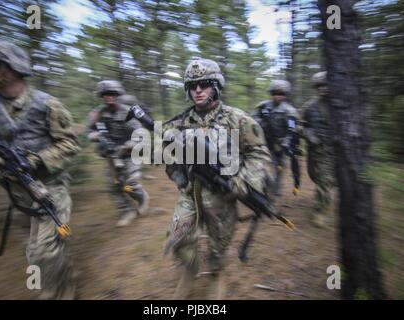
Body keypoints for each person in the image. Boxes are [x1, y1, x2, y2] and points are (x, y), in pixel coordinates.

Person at [0, 40, 80, 299]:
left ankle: (64, 289)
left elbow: (70, 143)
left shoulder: (47, 104)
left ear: (12, 67)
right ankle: (55, 280)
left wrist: (36, 160)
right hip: (16, 192)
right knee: (32, 251)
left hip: (50, 187)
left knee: (46, 249)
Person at [163, 59, 272, 299]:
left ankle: (216, 274)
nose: (198, 90)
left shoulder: (239, 120)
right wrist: (176, 167)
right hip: (190, 193)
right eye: (192, 86)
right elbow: (167, 155)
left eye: (204, 84)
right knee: (178, 238)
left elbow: (260, 155)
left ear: (216, 86)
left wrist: (241, 181)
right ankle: (190, 268)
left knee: (218, 245)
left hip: (223, 196)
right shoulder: (179, 122)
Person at [87, 80, 149, 227]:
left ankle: (142, 198)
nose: (108, 97)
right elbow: (89, 130)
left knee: (130, 183)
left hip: (130, 153)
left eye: (112, 94)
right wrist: (96, 136)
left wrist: (128, 145)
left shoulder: (129, 112)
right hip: (111, 155)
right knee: (113, 186)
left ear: (118, 95)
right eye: (105, 94)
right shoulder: (98, 114)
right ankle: (127, 211)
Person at [252, 80, 300, 196]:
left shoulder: (289, 111)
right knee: (263, 166)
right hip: (264, 142)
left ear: (285, 95)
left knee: (279, 168)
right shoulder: (263, 106)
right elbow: (252, 119)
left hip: (280, 144)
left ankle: (275, 189)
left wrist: (287, 141)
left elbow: (292, 128)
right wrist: (261, 123)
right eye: (275, 93)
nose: (277, 96)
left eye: (280, 94)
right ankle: (264, 188)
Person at [301, 71, 335, 228]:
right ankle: (324, 195)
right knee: (316, 177)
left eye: (326, 85)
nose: (323, 88)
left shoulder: (339, 105)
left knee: (325, 181)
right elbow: (296, 124)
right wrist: (308, 134)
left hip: (334, 151)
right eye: (320, 86)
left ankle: (319, 211)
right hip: (316, 151)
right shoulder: (309, 106)